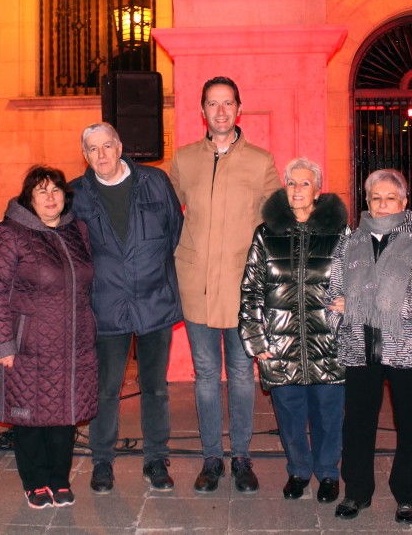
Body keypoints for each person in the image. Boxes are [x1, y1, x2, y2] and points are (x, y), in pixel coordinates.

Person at [326, 169, 412, 525]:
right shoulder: (350, 241)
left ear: (404, 201)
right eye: (375, 198)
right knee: (357, 424)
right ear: (366, 202)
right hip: (361, 346)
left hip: (407, 348)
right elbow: (331, 295)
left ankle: (408, 495)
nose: (382, 206)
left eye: (390, 198)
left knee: (411, 423)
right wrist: (343, 322)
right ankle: (357, 491)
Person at [169, 76, 281, 493]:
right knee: (204, 376)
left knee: (240, 374)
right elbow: (165, 214)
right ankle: (211, 458)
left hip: (243, 290)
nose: (220, 111)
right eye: (212, 104)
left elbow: (278, 223)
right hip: (195, 284)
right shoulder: (183, 160)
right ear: (202, 110)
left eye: (227, 103)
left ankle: (242, 459)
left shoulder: (261, 161)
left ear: (239, 109)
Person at [70, 122, 184, 494]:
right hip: (105, 305)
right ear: (84, 155)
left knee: (155, 387)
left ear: (120, 147)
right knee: (106, 389)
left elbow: (176, 232)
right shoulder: (76, 193)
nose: (101, 155)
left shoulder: (155, 182)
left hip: (154, 302)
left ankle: (155, 458)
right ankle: (102, 461)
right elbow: (41, 218)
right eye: (92, 149)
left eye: (107, 146)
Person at [0, 166, 98, 509]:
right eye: (42, 192)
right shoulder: (10, 234)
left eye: (56, 191)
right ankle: (34, 481)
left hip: (73, 343)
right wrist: (2, 344)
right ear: (29, 199)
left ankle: (59, 479)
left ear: (66, 196)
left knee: (64, 413)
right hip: (28, 345)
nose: (51, 198)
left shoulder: (77, 230)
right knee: (30, 415)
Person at [238, 157, 349, 503]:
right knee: (289, 413)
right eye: (291, 183)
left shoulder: (339, 233)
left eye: (305, 183)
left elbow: (359, 281)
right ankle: (299, 470)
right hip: (279, 342)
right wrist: (256, 339)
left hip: (329, 339)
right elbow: (251, 289)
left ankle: (328, 473)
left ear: (317, 190)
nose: (297, 189)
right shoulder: (266, 234)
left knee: (329, 414)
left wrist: (350, 302)